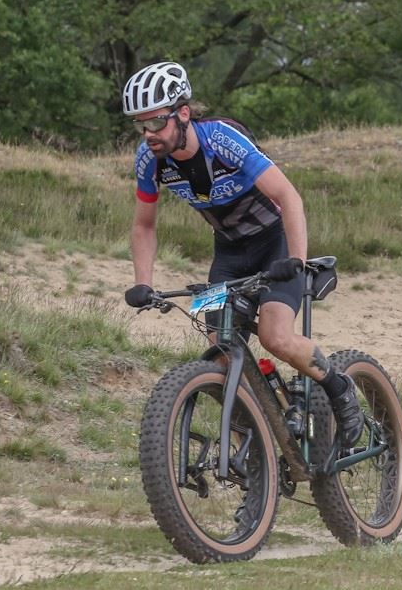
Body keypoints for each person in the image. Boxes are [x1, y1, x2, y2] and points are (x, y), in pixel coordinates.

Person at [120, 61, 362, 448]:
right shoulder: (150, 160)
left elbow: (288, 197)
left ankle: (339, 388)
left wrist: (297, 261)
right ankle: (256, 452)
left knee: (275, 337)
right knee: (219, 353)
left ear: (183, 114)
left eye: (156, 122)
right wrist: (143, 283)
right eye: (140, 125)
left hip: (275, 244)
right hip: (230, 252)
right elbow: (144, 225)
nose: (148, 134)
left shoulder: (222, 139)